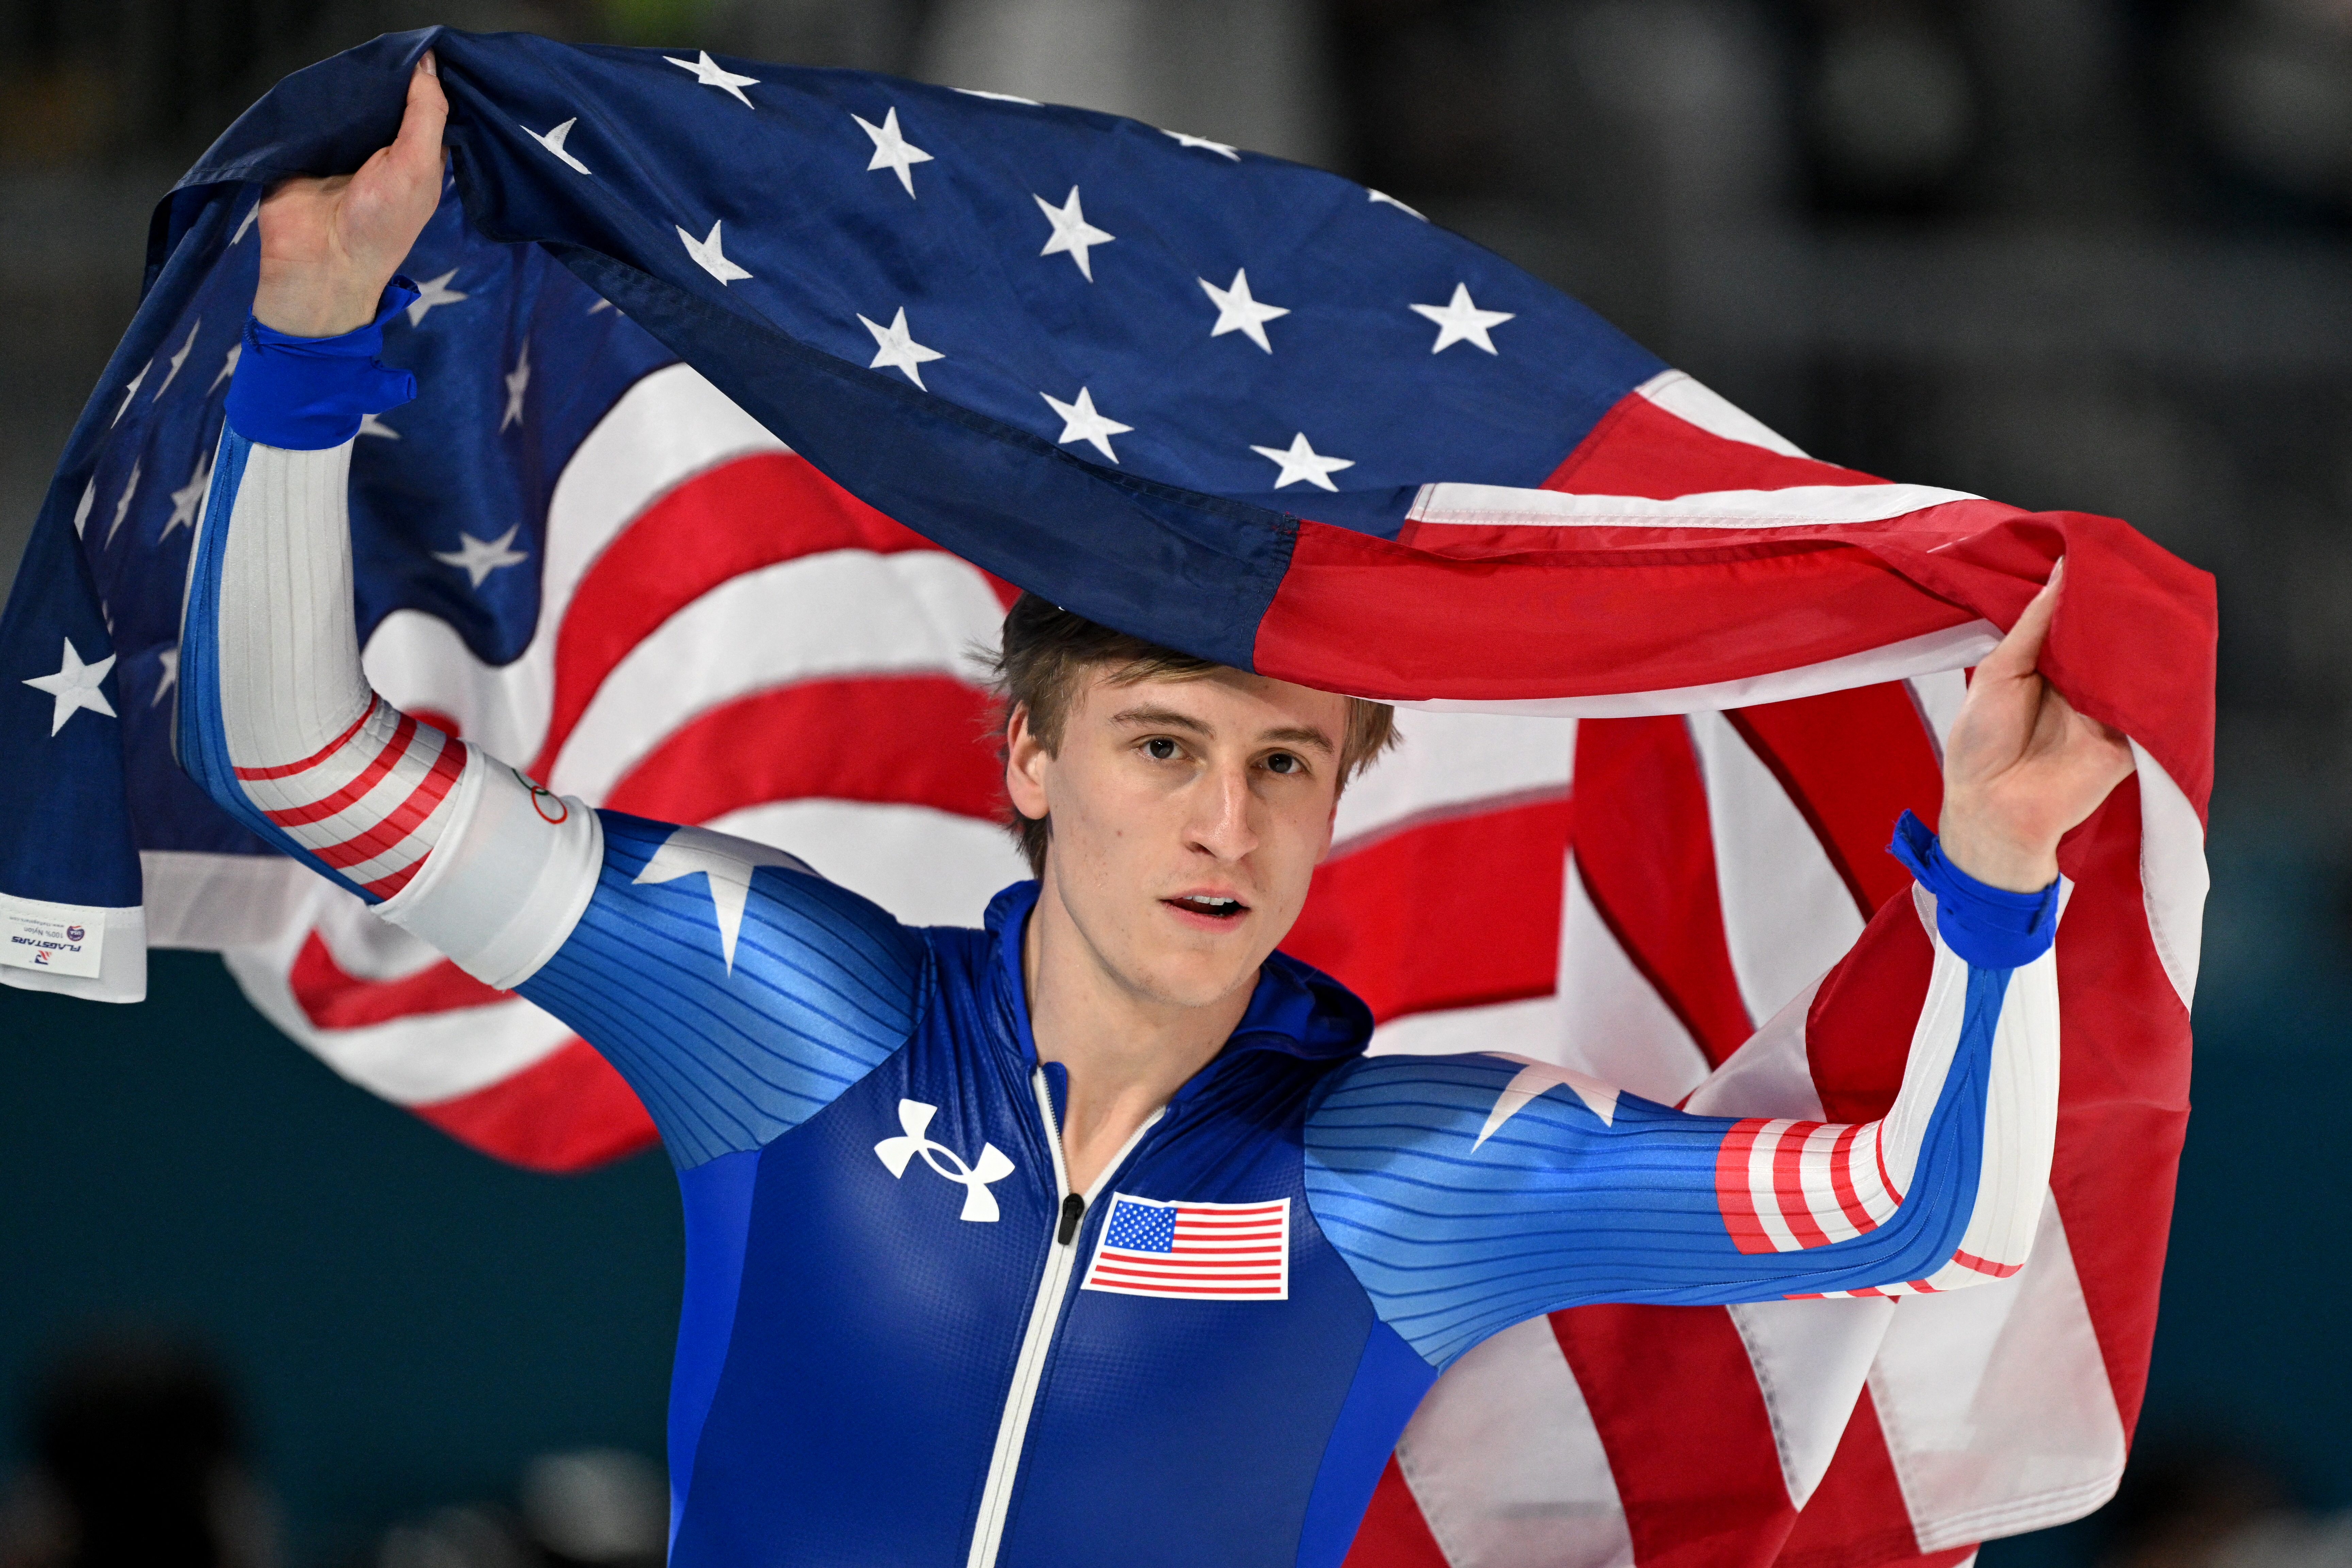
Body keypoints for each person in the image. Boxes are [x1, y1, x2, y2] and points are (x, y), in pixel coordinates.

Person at [173, 53, 2135, 1568]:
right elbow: (304, 759)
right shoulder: (784, 1012)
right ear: (1031, 761)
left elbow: (1918, 1206)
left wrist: (1992, 884)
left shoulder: (1407, 1175)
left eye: (1286, 762)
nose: (1227, 821)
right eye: (1162, 746)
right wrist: (303, 350)